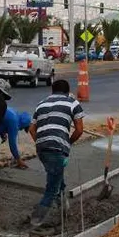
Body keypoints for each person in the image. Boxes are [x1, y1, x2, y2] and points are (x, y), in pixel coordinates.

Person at [28, 78, 85, 227]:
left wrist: (41, 142)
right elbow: (79, 130)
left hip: (42, 148)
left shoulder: (41, 103)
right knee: (52, 188)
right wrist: (68, 142)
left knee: (57, 178)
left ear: (52, 91)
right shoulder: (72, 102)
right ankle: (36, 222)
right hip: (57, 148)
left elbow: (31, 129)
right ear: (67, 91)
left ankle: (64, 211)